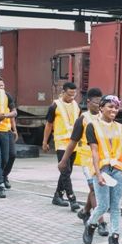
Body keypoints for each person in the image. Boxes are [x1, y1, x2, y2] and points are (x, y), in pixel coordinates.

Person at [82, 95, 122, 244]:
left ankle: (114, 240)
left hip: (117, 169)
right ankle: (90, 225)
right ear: (101, 107)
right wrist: (98, 174)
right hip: (102, 169)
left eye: (116, 107)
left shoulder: (120, 127)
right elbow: (95, 152)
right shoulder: (92, 126)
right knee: (103, 205)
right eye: (110, 106)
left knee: (116, 207)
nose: (113, 110)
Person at [58, 88, 109, 235]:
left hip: (102, 160)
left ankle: (85, 211)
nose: (99, 105)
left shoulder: (104, 117)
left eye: (101, 103)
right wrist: (63, 161)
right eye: (96, 102)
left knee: (96, 189)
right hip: (87, 160)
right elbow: (72, 142)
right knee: (94, 189)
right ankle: (101, 222)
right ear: (88, 102)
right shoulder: (83, 119)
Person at [43, 82, 81, 211]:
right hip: (61, 143)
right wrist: (45, 141)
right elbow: (48, 125)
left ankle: (57, 196)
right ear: (63, 92)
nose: (72, 97)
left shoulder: (76, 105)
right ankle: (72, 199)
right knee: (65, 171)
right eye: (69, 94)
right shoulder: (55, 106)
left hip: (73, 144)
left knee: (67, 172)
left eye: (74, 94)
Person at [0, 78, 18, 189]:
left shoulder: (6, 97)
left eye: (3, 86)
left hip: (7, 130)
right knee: (1, 157)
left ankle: (4, 175)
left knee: (12, 155)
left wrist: (14, 130)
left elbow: (12, 115)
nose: (1, 88)